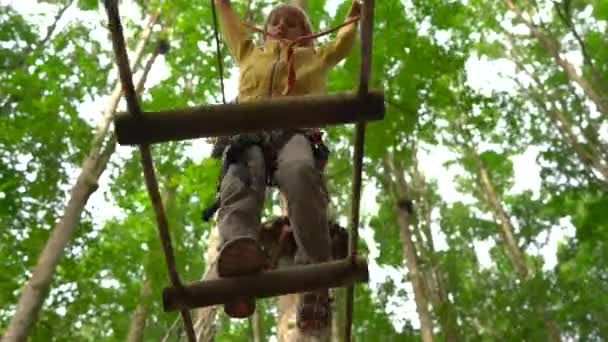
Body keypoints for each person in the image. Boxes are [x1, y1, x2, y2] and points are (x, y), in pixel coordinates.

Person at [212, 0, 361, 332]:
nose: (281, 26)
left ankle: (315, 277)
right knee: (240, 181)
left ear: (308, 36)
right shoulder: (249, 51)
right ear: (264, 32)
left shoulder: (315, 56)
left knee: (301, 174)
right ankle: (238, 253)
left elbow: (340, 46)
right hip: (248, 134)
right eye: (275, 22)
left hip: (295, 131)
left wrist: (351, 20)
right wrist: (221, 4)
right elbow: (230, 23)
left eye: (292, 23)